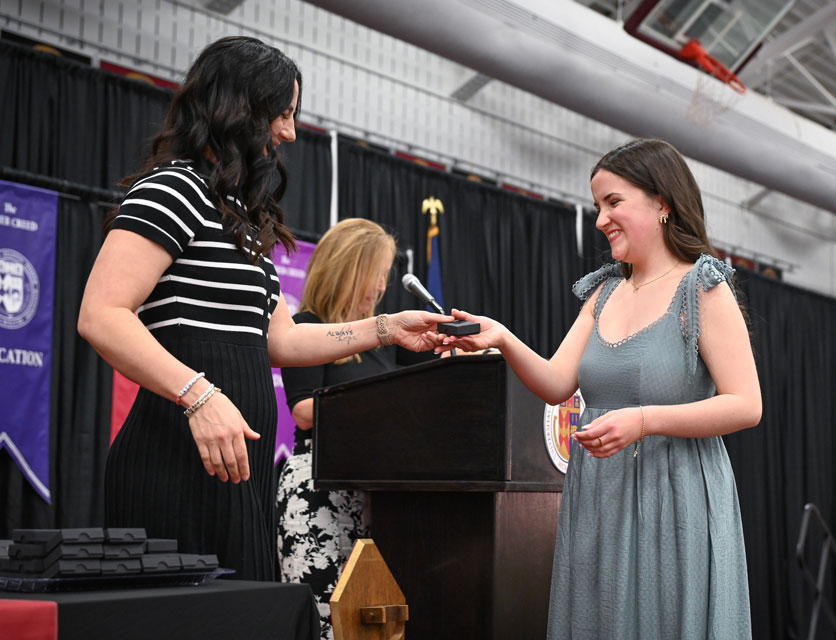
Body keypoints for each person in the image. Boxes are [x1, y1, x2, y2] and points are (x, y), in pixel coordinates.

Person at [77, 36, 449, 581]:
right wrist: (199, 396)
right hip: (174, 459)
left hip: (240, 471)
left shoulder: (242, 219)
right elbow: (101, 313)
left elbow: (284, 341)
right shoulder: (173, 189)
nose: (290, 132)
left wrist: (388, 327)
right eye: (283, 113)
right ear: (239, 107)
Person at [442, 138, 762, 639]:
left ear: (662, 203)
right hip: (600, 494)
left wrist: (644, 420)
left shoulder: (702, 287)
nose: (600, 219)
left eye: (613, 202)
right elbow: (556, 383)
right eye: (597, 206)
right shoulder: (604, 292)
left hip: (675, 498)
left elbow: (746, 404)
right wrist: (501, 337)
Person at [276, 218, 400, 633]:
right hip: (319, 492)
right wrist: (379, 403)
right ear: (347, 269)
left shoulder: (382, 343)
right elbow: (303, 410)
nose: (381, 286)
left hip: (373, 494)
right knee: (324, 622)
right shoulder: (306, 327)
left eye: (385, 275)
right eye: (375, 273)